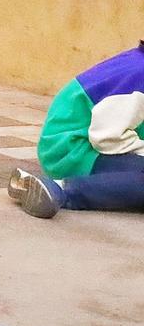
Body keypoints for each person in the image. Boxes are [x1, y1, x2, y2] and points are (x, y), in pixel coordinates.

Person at [8, 42, 144, 217]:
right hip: (70, 150)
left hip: (91, 145)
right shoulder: (138, 75)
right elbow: (106, 138)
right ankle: (60, 190)